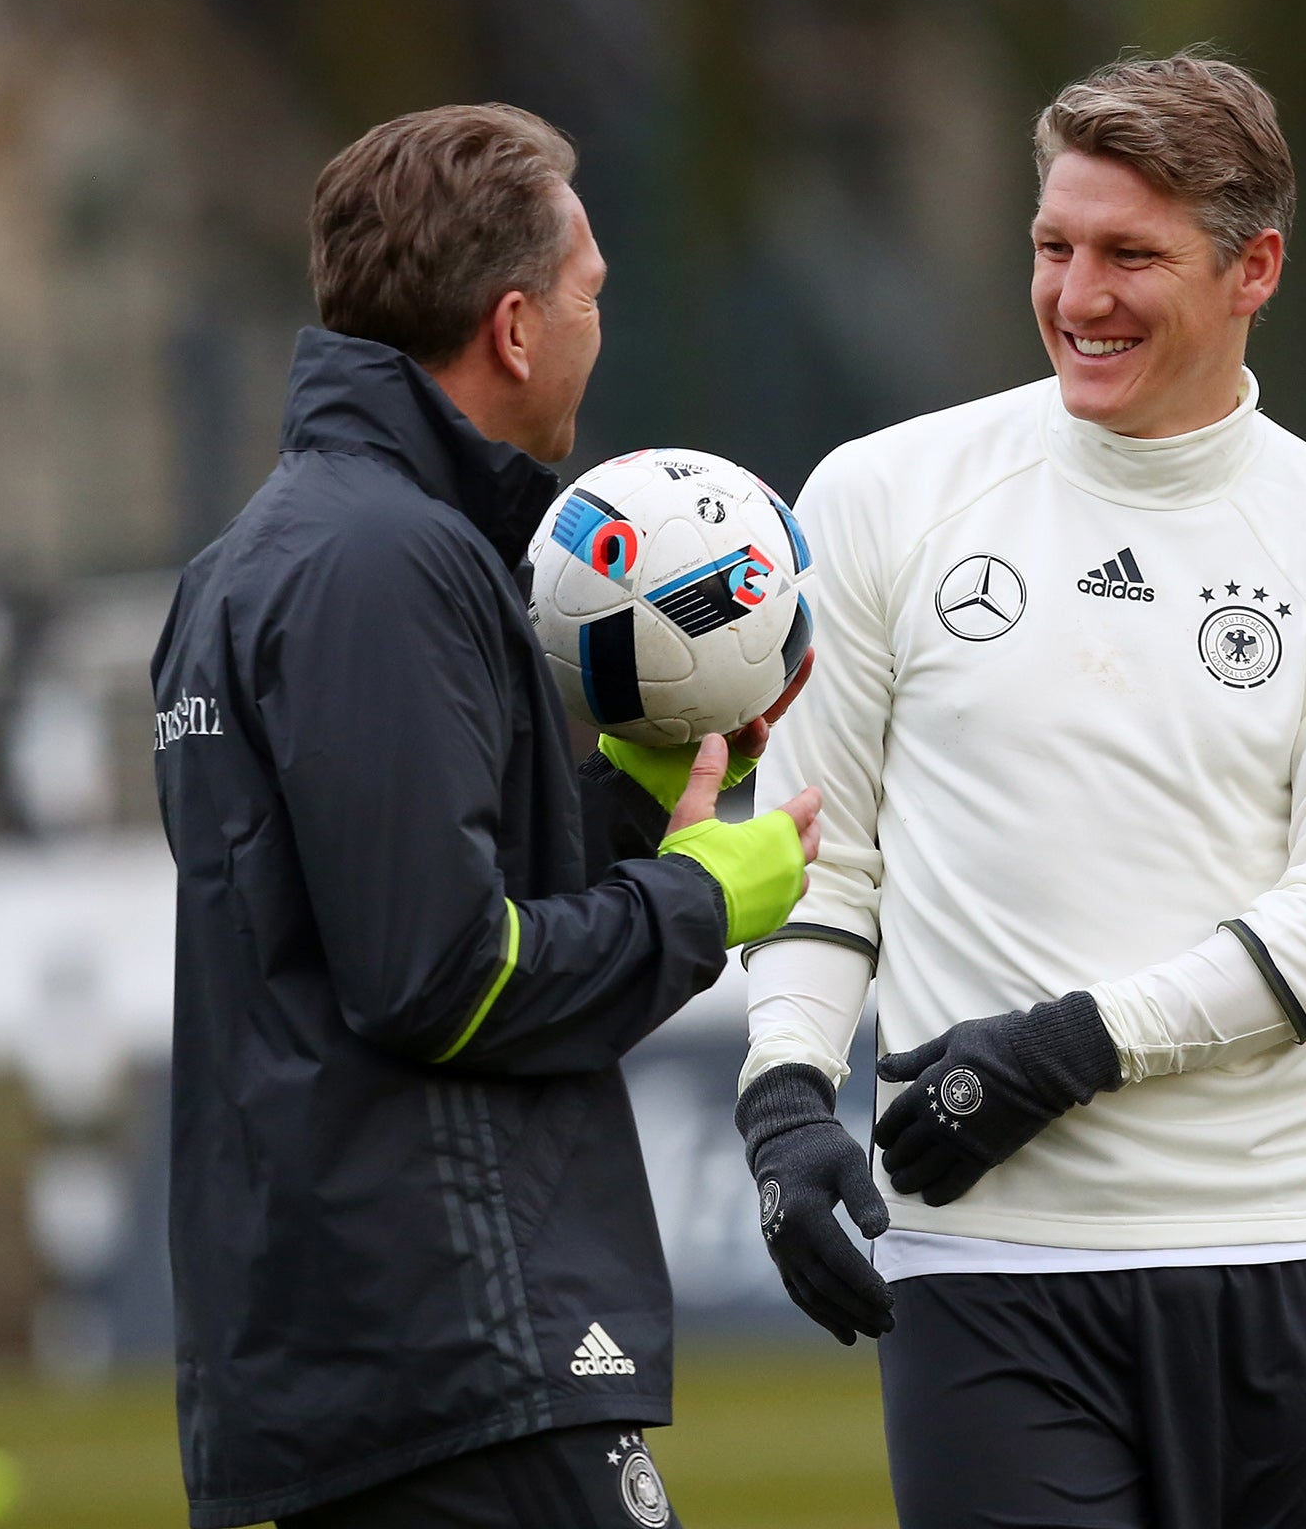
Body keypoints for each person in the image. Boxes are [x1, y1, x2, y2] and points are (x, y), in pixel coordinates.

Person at [733, 49, 1306, 1528]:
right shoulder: (880, 496)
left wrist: (1066, 1048)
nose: (1079, 296)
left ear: (1254, 266)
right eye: (1054, 247)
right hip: (988, 1272)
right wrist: (785, 1097)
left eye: (1133, 254)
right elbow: (822, 856)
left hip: (1276, 1240)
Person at [151, 103, 818, 1529]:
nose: (598, 325)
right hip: (452, 1355)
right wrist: (710, 900)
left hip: (358, 1349)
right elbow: (443, 979)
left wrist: (636, 803)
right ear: (515, 329)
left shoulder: (261, 559)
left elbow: (373, 924)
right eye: (589, 295)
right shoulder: (381, 566)